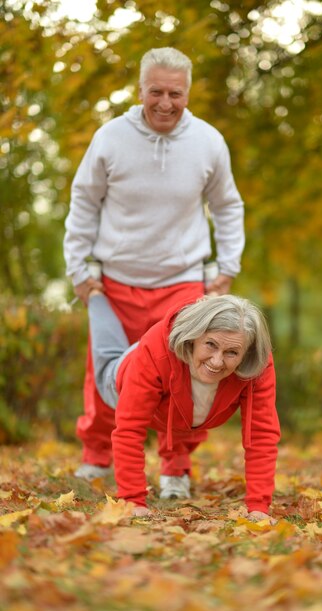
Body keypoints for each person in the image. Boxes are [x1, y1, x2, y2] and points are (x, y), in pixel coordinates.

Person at [63, 47, 245, 479]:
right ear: (140, 89)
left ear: (188, 93)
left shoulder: (208, 142)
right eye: (156, 92)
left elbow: (228, 206)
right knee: (106, 372)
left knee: (186, 377)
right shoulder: (110, 137)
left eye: (176, 94)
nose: (166, 103)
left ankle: (175, 466)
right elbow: (84, 202)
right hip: (117, 279)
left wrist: (227, 267)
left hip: (182, 282)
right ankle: (97, 458)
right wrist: (78, 270)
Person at [86, 289, 280, 521]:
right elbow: (129, 429)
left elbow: (261, 435)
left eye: (231, 352)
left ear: (246, 353)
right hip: (121, 377)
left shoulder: (257, 365)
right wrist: (132, 500)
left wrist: (259, 507)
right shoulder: (154, 352)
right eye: (210, 344)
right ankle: (96, 296)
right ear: (195, 336)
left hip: (176, 406)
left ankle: (176, 470)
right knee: (107, 350)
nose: (217, 361)